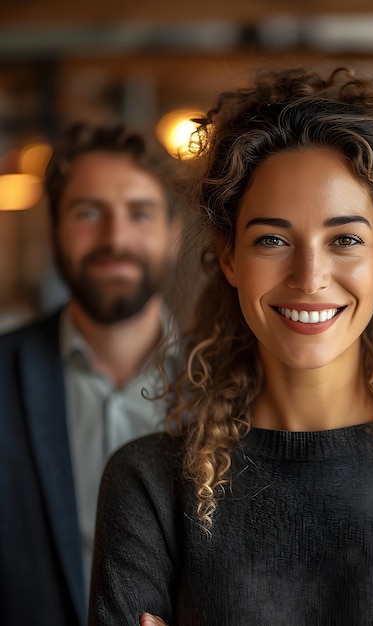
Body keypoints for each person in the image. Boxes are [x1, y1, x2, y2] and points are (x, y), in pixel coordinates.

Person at [88, 66, 373, 626]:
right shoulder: (148, 484)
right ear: (229, 258)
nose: (309, 275)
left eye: (345, 239)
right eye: (271, 239)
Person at [0, 123, 183, 626]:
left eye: (139, 213)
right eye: (88, 213)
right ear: (54, 228)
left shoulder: (232, 385)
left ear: (174, 233)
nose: (115, 238)